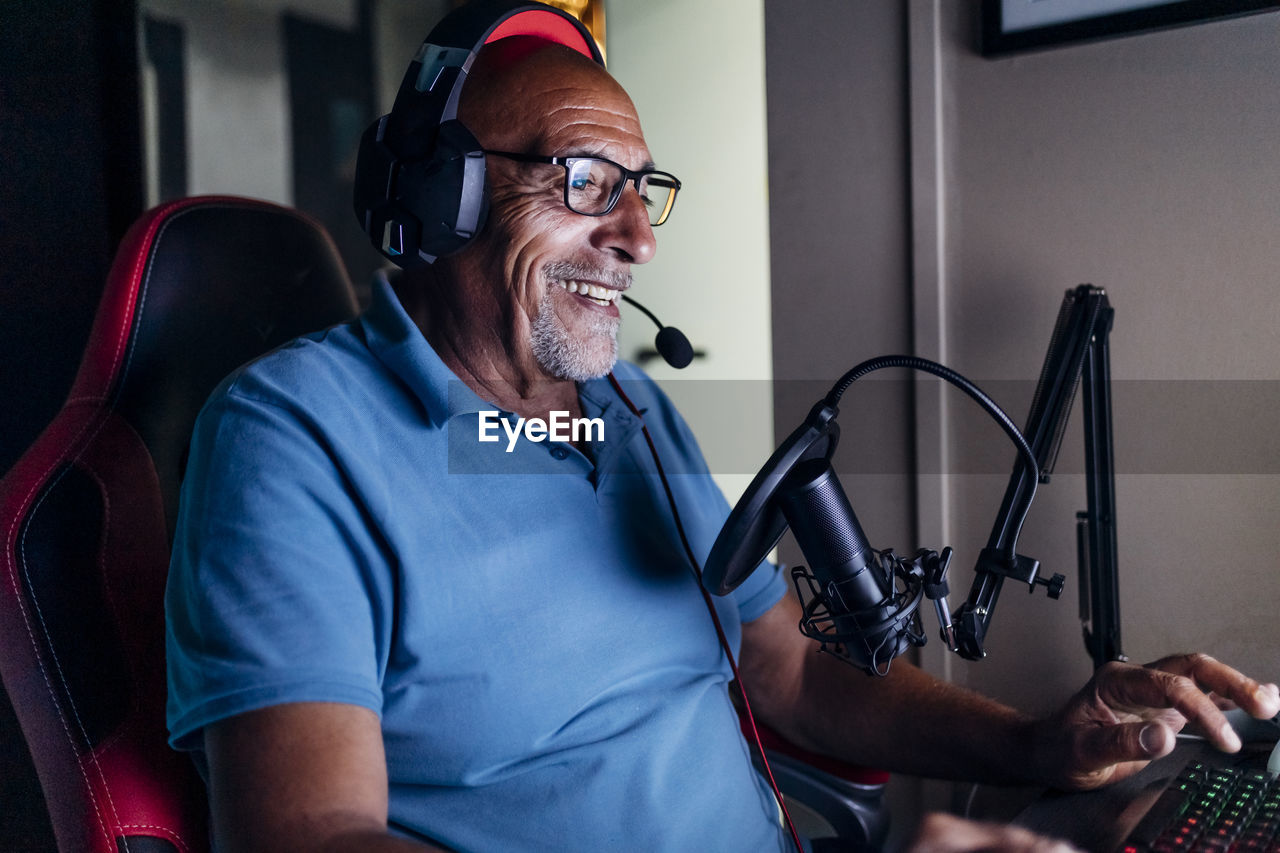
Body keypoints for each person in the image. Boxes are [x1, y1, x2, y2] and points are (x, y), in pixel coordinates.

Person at [164, 5, 1280, 852]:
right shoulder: (289, 441)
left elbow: (785, 670)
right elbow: (311, 837)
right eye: (587, 182)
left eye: (644, 191)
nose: (638, 239)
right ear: (442, 196)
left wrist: (1038, 740)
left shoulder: (631, 410)